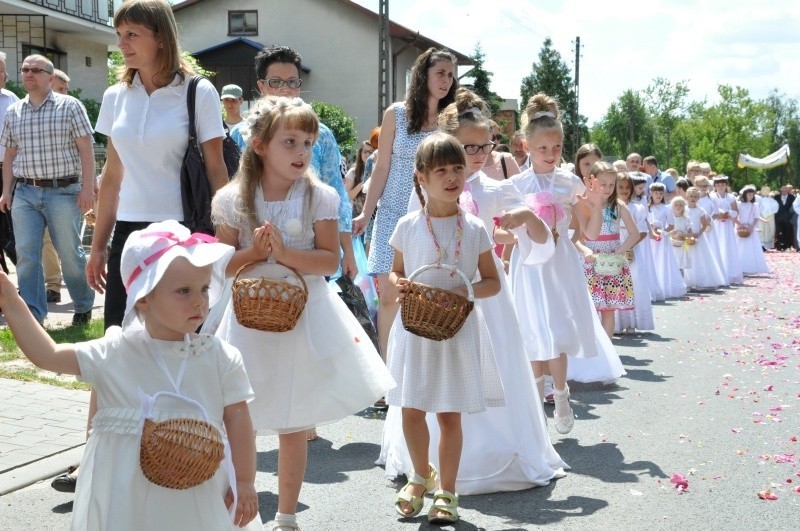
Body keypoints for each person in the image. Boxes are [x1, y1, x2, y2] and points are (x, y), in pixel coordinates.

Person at [0, 220, 261, 530]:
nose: (199, 301)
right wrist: (10, 301)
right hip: (127, 498)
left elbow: (238, 418)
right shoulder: (116, 352)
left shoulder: (218, 356)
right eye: (183, 291)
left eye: (204, 288)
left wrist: (245, 481)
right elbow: (49, 356)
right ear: (143, 297)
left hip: (198, 492)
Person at [210, 96, 394, 531]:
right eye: (289, 141)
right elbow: (218, 263)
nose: (301, 152)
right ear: (259, 145)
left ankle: (287, 515)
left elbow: (329, 261)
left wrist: (288, 253)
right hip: (246, 319)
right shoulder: (234, 199)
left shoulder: (319, 197)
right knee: (239, 413)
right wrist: (253, 253)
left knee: (294, 417)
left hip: (302, 317)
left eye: (308, 143)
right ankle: (237, 505)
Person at [380, 90, 567, 497]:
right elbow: (405, 257)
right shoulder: (421, 201)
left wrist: (527, 218)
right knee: (419, 395)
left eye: (484, 146)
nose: (477, 156)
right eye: (469, 147)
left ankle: (478, 461)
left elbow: (539, 239)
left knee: (475, 384)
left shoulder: (497, 186)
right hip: (424, 313)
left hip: (475, 305)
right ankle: (421, 470)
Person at [86, 0, 228, 328]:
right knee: (119, 337)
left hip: (182, 232)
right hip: (128, 231)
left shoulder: (198, 91)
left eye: (132, 34)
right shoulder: (115, 96)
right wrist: (98, 247)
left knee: (179, 335)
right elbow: (112, 176)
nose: (121, 44)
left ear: (161, 37)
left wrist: (226, 239)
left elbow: (216, 170)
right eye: (119, 34)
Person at [385, 132, 502, 524]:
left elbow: (492, 281)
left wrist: (462, 292)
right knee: (412, 409)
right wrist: (397, 283)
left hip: (456, 331)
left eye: (457, 168)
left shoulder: (474, 229)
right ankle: (421, 474)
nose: (452, 177)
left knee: (449, 415)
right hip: (415, 329)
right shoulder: (406, 225)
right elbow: (396, 270)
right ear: (421, 176)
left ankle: (447, 491)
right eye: (441, 171)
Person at [351, 47, 457, 366]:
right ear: (423, 75)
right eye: (440, 73)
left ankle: (421, 370)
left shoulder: (450, 121)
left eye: (450, 75)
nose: (446, 80)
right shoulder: (395, 113)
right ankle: (388, 374)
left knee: (426, 296)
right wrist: (365, 214)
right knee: (388, 295)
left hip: (431, 214)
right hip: (392, 213)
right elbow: (381, 167)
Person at [508, 93, 604, 435]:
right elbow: (502, 235)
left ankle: (560, 394)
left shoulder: (569, 181)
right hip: (529, 263)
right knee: (532, 328)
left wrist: (595, 205)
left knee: (556, 329)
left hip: (559, 262)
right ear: (526, 147)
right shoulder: (516, 185)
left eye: (557, 147)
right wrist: (517, 232)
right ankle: (535, 402)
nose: (551, 155)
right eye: (543, 149)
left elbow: (588, 230)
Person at [230, 45, 357, 280]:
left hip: (308, 258)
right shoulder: (240, 135)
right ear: (261, 85)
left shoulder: (322, 134)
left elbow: (337, 192)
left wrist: (347, 250)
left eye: (292, 82)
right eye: (276, 82)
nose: (285, 90)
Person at [0, 54, 95, 325]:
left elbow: (86, 149)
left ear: (51, 78)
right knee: (27, 255)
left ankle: (83, 304)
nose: (29, 74)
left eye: (36, 70)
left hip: (63, 191)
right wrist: (6, 191)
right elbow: (9, 155)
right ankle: (34, 314)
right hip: (26, 193)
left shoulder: (70, 106)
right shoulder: (14, 111)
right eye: (25, 70)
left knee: (70, 253)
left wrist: (88, 187)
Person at [574, 161, 638, 339]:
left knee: (608, 309)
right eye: (603, 184)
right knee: (590, 307)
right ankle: (592, 348)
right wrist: (585, 251)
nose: (608, 188)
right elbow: (576, 239)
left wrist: (619, 251)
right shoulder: (583, 204)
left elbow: (634, 233)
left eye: (612, 184)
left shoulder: (618, 206)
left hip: (611, 260)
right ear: (591, 182)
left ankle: (608, 350)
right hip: (590, 260)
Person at [41, 68, 74, 304]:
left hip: (68, 187)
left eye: (66, 89)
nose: (65, 94)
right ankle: (52, 285)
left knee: (69, 242)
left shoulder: (71, 110)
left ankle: (82, 287)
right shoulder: (27, 112)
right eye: (61, 89)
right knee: (45, 240)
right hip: (36, 188)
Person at [614, 173, 655, 333]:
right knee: (617, 284)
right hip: (615, 247)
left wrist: (629, 246)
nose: (624, 190)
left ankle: (632, 322)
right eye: (620, 187)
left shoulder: (637, 208)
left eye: (627, 187)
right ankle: (617, 323)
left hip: (632, 249)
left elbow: (642, 232)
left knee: (633, 283)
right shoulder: (610, 207)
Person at [647, 182, 687, 298]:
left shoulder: (666, 208)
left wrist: (662, 231)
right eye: (655, 193)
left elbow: (671, 225)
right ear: (651, 193)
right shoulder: (647, 207)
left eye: (660, 193)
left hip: (662, 238)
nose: (658, 195)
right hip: (650, 238)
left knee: (661, 261)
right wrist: (651, 228)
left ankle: (664, 286)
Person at [682, 186, 726, 291]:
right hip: (687, 236)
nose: (693, 198)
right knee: (687, 257)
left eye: (695, 197)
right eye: (691, 196)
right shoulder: (684, 210)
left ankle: (700, 280)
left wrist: (699, 234)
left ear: (698, 198)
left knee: (699, 258)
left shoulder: (700, 210)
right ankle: (687, 281)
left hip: (698, 236)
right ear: (687, 197)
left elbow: (704, 224)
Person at [0, 51, 20, 274]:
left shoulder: (12, 99)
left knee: (12, 229)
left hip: (9, 173)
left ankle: (24, 280)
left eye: (3, 71)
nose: (2, 75)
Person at [709, 176, 743, 285]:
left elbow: (736, 211)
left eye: (722, 184)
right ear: (714, 186)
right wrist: (718, 215)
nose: (720, 186)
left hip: (727, 225)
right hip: (716, 224)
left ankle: (729, 273)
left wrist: (729, 214)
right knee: (716, 245)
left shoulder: (731, 197)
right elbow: (710, 211)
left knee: (728, 246)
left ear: (726, 185)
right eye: (718, 184)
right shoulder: (712, 196)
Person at [735, 185, 770, 275]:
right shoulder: (739, 204)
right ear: (744, 195)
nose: (751, 196)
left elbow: (756, 217)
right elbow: (734, 217)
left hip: (751, 228)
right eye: (749, 194)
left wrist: (751, 227)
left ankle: (751, 267)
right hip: (740, 228)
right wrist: (740, 225)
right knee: (739, 248)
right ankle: (739, 267)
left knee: (751, 248)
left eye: (752, 194)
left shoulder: (754, 205)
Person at [344, 140, 373, 218]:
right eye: (365, 151)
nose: (368, 154)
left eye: (371, 152)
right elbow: (347, 196)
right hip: (356, 215)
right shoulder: (353, 172)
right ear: (360, 153)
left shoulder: (377, 172)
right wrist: (363, 184)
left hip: (373, 214)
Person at [669, 197, 692, 274]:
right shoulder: (669, 218)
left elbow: (690, 233)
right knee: (672, 263)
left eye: (680, 205)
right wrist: (671, 233)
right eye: (676, 205)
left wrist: (684, 234)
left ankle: (681, 281)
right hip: (671, 244)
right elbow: (666, 231)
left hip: (682, 244)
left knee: (681, 263)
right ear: (672, 206)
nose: (678, 207)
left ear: (684, 207)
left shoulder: (686, 219)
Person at [756, 185, 778, 250]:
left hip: (770, 217)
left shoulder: (772, 200)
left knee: (769, 230)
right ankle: (761, 245)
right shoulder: (759, 200)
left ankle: (768, 245)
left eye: (767, 191)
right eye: (764, 190)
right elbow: (757, 208)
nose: (765, 192)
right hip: (761, 216)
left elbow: (776, 207)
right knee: (761, 230)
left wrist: (770, 213)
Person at [775, 184, 796, 251]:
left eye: (785, 191)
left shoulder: (792, 197)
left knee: (788, 232)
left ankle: (787, 245)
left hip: (788, 218)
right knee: (779, 232)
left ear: (787, 191)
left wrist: (790, 216)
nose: (784, 192)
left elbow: (794, 208)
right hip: (778, 218)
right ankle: (779, 245)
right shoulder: (776, 197)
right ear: (780, 191)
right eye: (782, 191)